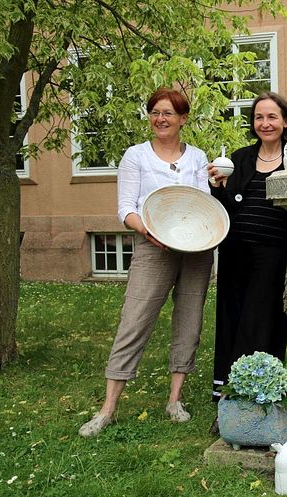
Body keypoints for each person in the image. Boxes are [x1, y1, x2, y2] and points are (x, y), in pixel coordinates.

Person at [79, 88, 214, 437]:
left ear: (183, 119)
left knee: (190, 321)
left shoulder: (197, 157)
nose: (160, 119)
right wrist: (149, 232)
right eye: (155, 112)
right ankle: (108, 408)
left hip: (197, 249)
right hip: (153, 247)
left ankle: (175, 399)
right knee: (134, 320)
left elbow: (204, 201)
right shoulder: (136, 156)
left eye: (168, 113)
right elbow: (126, 208)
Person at [207, 92, 287, 432]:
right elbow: (228, 207)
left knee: (260, 324)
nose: (265, 123)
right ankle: (226, 401)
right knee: (231, 322)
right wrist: (217, 187)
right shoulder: (241, 159)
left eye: (272, 117)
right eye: (259, 117)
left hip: (273, 254)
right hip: (235, 252)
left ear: (285, 121)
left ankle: (255, 397)